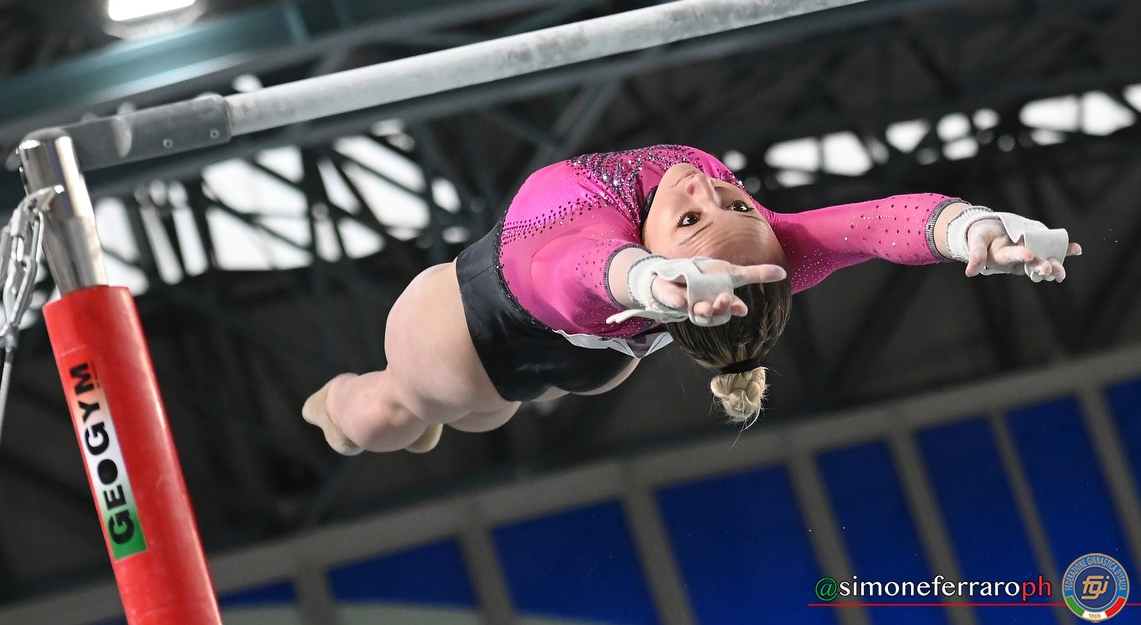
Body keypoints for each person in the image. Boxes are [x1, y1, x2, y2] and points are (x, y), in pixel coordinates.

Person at [302, 145, 1079, 455]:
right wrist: (975, 229)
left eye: (690, 220)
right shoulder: (768, 252)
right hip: (584, 358)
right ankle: (456, 414)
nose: (707, 189)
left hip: (464, 343)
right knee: (487, 415)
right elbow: (875, 226)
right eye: (737, 205)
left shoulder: (584, 223)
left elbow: (571, 267)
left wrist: (642, 278)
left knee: (378, 414)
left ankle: (347, 414)